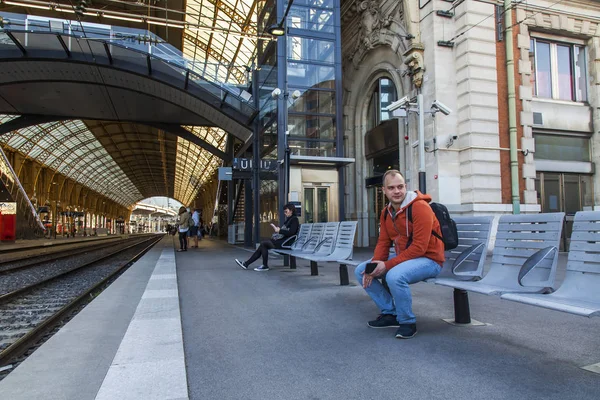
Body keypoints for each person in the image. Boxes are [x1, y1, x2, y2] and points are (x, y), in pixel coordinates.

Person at [354, 169, 444, 339]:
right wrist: (375, 264)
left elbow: (420, 247)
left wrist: (386, 265)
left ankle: (407, 322)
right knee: (361, 270)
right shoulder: (386, 213)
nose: (397, 191)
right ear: (384, 190)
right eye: (392, 188)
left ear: (406, 187)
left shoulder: (420, 207)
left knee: (394, 276)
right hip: (406, 258)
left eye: (400, 187)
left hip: (429, 260)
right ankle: (390, 313)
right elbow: (383, 242)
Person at [235, 203, 299, 272]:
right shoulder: (290, 219)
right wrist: (279, 230)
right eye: (284, 212)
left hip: (286, 244)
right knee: (263, 245)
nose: (285, 213)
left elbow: (292, 232)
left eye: (286, 211)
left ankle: (255, 264)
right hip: (283, 242)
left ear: (291, 211)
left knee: (264, 244)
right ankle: (248, 264)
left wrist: (279, 230)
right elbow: (287, 232)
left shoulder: (294, 220)